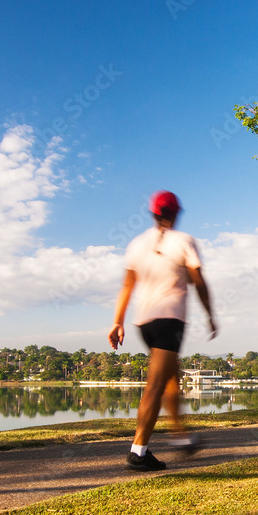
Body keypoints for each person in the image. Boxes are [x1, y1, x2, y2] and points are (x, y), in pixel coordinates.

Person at [108, 191, 217, 471]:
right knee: (156, 385)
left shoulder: (137, 244)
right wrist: (210, 314)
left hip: (143, 322)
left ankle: (181, 436)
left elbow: (127, 285)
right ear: (176, 213)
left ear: (153, 213)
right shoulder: (184, 241)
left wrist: (118, 321)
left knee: (171, 378)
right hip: (169, 320)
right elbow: (199, 281)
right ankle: (138, 451)